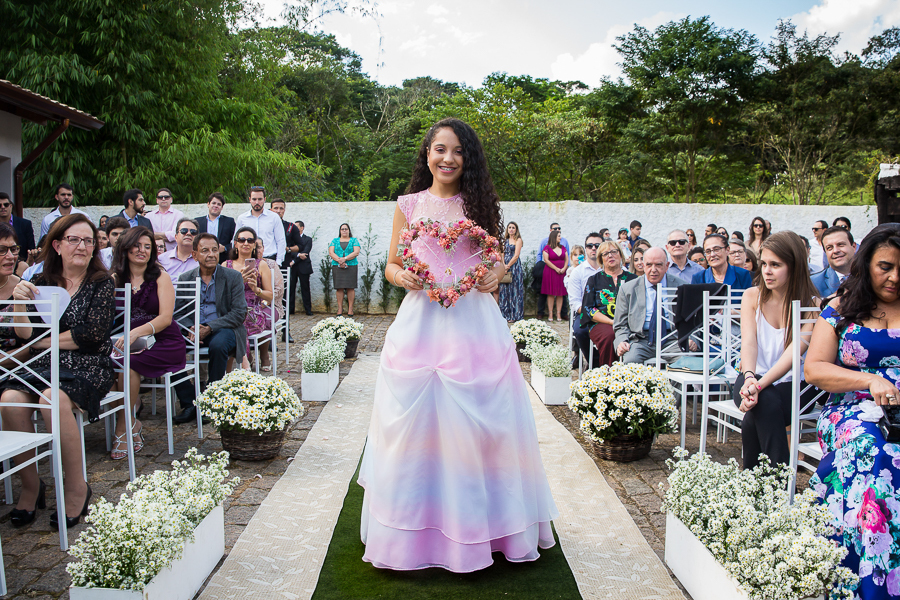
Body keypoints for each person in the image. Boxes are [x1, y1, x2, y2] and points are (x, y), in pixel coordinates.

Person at [365, 116, 557, 572]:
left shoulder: (480, 204)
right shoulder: (407, 205)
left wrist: (495, 275)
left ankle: (484, 530)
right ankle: (418, 534)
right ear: (427, 155)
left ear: (467, 158)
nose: (448, 158)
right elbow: (392, 263)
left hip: (474, 326)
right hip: (420, 326)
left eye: (457, 151)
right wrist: (401, 275)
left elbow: (495, 267)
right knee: (417, 429)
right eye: (440, 150)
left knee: (482, 426)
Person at [805, 224, 900, 600]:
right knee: (875, 453)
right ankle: (871, 584)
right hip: (853, 409)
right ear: (867, 264)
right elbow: (815, 369)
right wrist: (869, 382)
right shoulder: (841, 307)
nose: (895, 277)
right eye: (886, 267)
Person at [1, 214, 114, 528]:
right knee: (10, 398)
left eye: (89, 240)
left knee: (51, 398)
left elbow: (92, 335)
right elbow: (26, 335)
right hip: (43, 362)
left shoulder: (101, 282)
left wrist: (45, 342)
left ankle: (77, 486)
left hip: (88, 364)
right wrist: (20, 302)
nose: (82, 246)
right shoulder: (39, 282)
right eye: (74, 239)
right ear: (57, 245)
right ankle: (32, 484)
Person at [733, 231, 818, 470]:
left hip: (796, 386)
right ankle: (776, 486)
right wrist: (750, 378)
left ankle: (755, 485)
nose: (767, 271)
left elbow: (793, 355)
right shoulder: (752, 296)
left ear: (794, 266)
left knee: (760, 406)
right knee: (764, 404)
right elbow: (748, 343)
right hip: (752, 374)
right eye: (764, 264)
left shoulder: (811, 305)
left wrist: (758, 387)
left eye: (775, 265)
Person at [109, 226, 185, 459]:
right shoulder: (113, 279)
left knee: (127, 364)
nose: (141, 250)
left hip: (164, 341)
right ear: (125, 248)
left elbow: (165, 318)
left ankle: (122, 427)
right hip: (126, 341)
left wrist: (134, 333)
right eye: (137, 245)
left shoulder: (161, 277)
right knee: (108, 364)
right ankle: (133, 422)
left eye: (147, 247)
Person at [172, 233, 248, 425]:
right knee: (168, 346)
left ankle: (212, 400)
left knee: (218, 344)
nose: (211, 254)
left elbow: (239, 313)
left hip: (224, 328)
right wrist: (191, 327)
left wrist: (209, 327)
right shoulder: (186, 278)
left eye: (214, 250)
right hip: (192, 330)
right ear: (195, 255)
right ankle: (189, 402)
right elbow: (178, 312)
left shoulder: (232, 277)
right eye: (205, 251)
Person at [613, 247, 687, 364]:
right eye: (649, 265)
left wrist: (692, 339)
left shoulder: (681, 286)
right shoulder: (628, 289)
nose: (653, 270)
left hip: (672, 339)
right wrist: (621, 341)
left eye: (658, 265)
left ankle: (669, 383)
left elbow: (692, 319)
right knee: (631, 363)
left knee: (684, 364)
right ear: (643, 265)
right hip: (640, 339)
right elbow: (620, 324)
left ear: (667, 266)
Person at [223, 228, 273, 370]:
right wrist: (238, 281)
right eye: (242, 240)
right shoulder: (226, 265)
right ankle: (245, 360)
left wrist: (256, 290)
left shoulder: (261, 265)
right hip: (230, 309)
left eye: (250, 240)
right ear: (236, 244)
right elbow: (221, 293)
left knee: (237, 322)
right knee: (233, 320)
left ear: (254, 245)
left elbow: (270, 295)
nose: (246, 243)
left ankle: (236, 367)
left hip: (252, 312)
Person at [581, 241, 636, 367]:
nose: (610, 256)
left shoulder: (634, 280)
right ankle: (609, 376)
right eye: (605, 254)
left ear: (620, 255)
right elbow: (589, 309)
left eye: (613, 252)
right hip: (602, 324)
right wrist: (613, 322)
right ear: (601, 259)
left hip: (631, 324)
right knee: (611, 336)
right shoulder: (594, 280)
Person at [568, 233, 604, 366]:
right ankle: (594, 363)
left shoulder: (610, 269)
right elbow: (575, 302)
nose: (593, 248)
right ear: (586, 249)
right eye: (590, 245)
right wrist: (591, 315)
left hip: (609, 313)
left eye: (597, 245)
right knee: (579, 330)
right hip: (585, 313)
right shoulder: (578, 272)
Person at [234, 186, 285, 264]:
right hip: (248, 259)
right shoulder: (242, 218)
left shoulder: (274, 217)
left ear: (264, 199)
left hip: (269, 258)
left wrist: (278, 261)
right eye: (254, 199)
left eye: (260, 199)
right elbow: (236, 240)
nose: (257, 202)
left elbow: (281, 240)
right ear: (249, 200)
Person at [810, 226, 857, 299]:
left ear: (854, 247)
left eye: (840, 244)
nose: (835, 251)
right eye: (829, 248)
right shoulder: (813, 283)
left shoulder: (870, 277)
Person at [537, 223, 570, 320]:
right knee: (550, 293)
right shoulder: (547, 248)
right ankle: (551, 314)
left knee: (560, 294)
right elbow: (546, 260)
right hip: (551, 272)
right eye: (559, 236)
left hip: (561, 272)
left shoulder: (563, 247)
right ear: (554, 236)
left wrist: (564, 268)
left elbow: (567, 259)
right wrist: (556, 268)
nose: (560, 237)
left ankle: (558, 314)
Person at [328, 223, 360, 316]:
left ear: (349, 230)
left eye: (346, 229)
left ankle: (350, 309)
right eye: (342, 229)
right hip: (337, 266)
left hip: (351, 266)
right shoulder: (335, 240)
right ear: (340, 231)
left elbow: (356, 252)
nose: (344, 230)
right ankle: (340, 309)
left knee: (351, 287)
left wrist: (344, 259)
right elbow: (331, 252)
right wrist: (339, 261)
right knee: (339, 288)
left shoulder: (354, 240)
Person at [196, 192, 236, 264]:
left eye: (219, 204)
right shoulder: (198, 222)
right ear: (208, 204)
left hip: (222, 260)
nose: (216, 206)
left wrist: (225, 248)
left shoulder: (229, 221)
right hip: (202, 259)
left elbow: (235, 241)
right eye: (213, 203)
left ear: (222, 207)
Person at [498, 221, 524, 322]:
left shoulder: (518, 240)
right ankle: (505, 315)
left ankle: (515, 315)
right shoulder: (505, 240)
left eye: (513, 227)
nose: (511, 229)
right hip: (504, 265)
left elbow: (516, 255)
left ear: (516, 229)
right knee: (505, 289)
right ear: (507, 229)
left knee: (515, 290)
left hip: (514, 266)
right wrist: (504, 265)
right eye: (510, 227)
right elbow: (502, 253)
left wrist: (508, 266)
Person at [146, 188, 184, 253]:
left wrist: (153, 235)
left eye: (166, 197)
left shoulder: (179, 215)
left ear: (171, 199)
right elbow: (146, 234)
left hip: (172, 252)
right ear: (157, 200)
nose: (163, 199)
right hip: (153, 252)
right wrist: (166, 235)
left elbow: (175, 235)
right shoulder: (149, 216)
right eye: (160, 197)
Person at [0, 193, 35, 262]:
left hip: (23, 265)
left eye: (6, 205)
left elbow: (31, 249)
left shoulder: (25, 224)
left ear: (10, 206)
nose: (3, 207)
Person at [289, 220, 313, 316]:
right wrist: (299, 254)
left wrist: (294, 260)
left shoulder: (308, 239)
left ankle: (308, 310)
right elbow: (289, 251)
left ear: (302, 228)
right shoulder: (291, 239)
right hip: (292, 267)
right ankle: (290, 310)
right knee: (291, 288)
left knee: (305, 288)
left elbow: (306, 253)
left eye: (296, 226)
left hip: (303, 266)